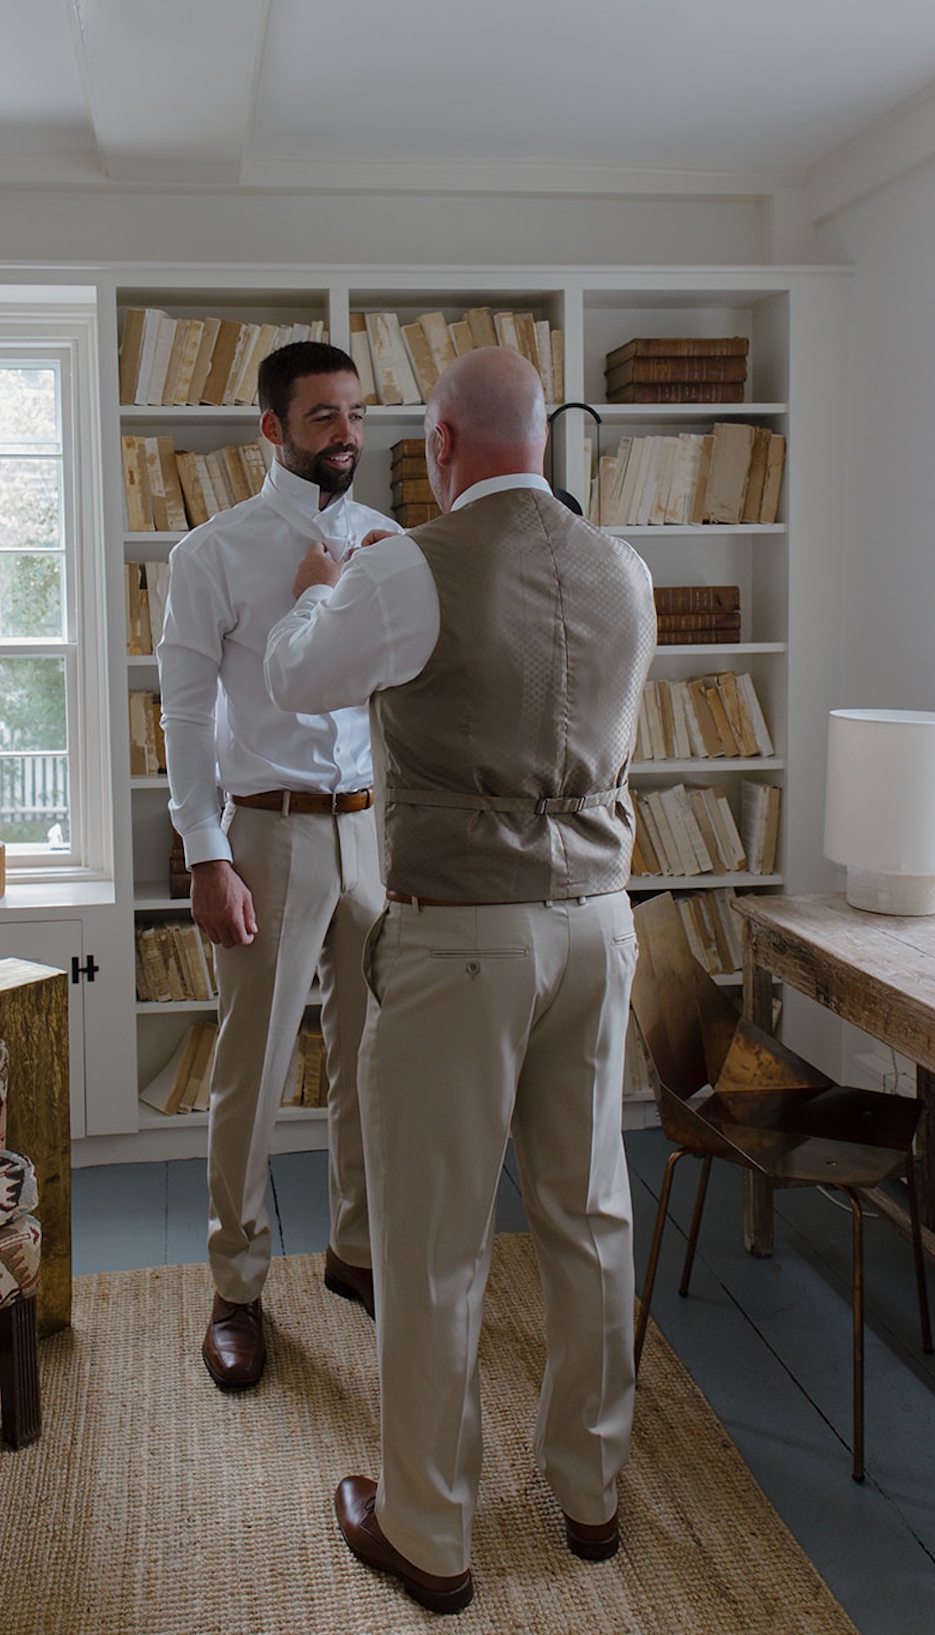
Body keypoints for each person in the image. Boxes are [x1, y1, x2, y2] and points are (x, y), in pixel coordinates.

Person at [264, 347, 656, 1614]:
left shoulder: (404, 570)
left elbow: (291, 679)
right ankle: (588, 1494)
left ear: (436, 445)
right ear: (541, 440)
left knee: (435, 1241)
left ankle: (429, 1532)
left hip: (463, 938)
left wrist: (315, 590)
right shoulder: (626, 571)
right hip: (598, 924)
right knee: (588, 1211)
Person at [157, 340, 397, 1392]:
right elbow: (183, 712)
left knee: (374, 1061)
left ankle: (355, 1250)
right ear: (270, 428)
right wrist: (207, 854)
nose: (345, 435)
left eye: (354, 415)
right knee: (248, 1072)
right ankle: (238, 1287)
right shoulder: (212, 554)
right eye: (320, 418)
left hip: (374, 834)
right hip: (266, 830)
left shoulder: (391, 545)